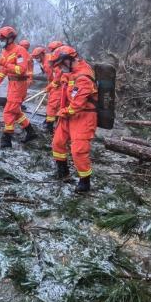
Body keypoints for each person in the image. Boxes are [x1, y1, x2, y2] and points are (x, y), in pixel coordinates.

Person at [49, 45, 97, 192]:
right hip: (67, 115)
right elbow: (63, 88)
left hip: (83, 116)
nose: (60, 68)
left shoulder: (84, 77)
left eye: (61, 64)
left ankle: (85, 181)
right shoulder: (70, 72)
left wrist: (62, 112)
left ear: (69, 60)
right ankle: (63, 171)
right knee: (57, 142)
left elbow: (77, 104)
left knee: (78, 150)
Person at [0, 26, 38, 148]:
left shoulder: (20, 51)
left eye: (2, 38)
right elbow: (2, 72)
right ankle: (31, 132)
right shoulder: (5, 52)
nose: (0, 41)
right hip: (12, 84)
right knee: (15, 110)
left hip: (20, 84)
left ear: (10, 38)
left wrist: (5, 63)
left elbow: (21, 70)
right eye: (0, 39)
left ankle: (7, 138)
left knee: (9, 110)